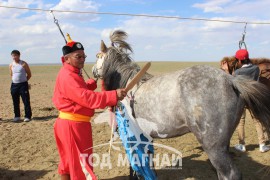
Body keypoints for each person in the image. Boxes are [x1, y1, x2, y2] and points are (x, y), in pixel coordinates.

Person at [52, 36, 127, 180]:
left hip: (69, 124)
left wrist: (88, 85)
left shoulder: (71, 73)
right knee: (82, 166)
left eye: (83, 56)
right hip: (73, 126)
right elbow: (87, 98)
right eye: (77, 56)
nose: (82, 59)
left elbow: (76, 93)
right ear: (66, 59)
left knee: (69, 162)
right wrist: (114, 95)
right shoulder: (68, 76)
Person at [233, 49, 270, 153]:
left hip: (242, 99)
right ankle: (262, 144)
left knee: (241, 122)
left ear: (239, 61)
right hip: (254, 98)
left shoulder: (237, 72)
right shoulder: (256, 69)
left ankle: (242, 144)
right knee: (257, 120)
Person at [9, 50, 32, 122]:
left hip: (23, 85)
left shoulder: (23, 64)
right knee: (15, 101)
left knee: (26, 101)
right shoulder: (11, 65)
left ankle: (27, 116)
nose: (14, 57)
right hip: (14, 85)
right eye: (13, 56)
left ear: (19, 55)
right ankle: (17, 116)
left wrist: (24, 82)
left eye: (15, 55)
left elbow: (29, 74)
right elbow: (11, 75)